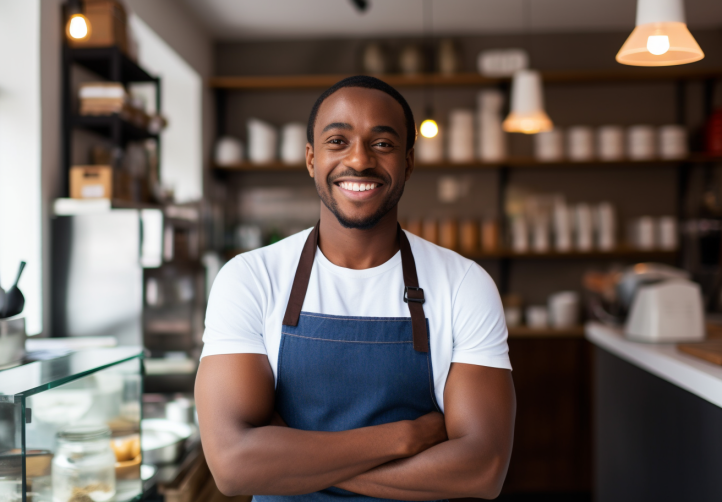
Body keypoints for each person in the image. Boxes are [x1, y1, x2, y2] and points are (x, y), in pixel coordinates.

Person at [196, 75, 516, 502]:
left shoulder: (464, 284)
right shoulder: (251, 279)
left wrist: (287, 459)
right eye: (337, 141)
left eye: (382, 144)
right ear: (311, 158)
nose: (360, 161)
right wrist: (403, 437)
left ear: (408, 161)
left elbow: (483, 470)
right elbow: (233, 468)